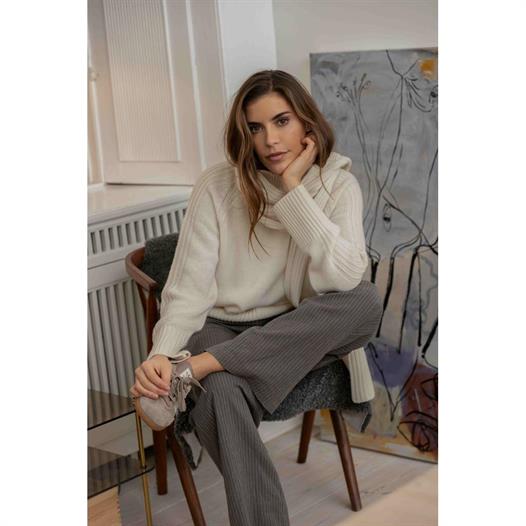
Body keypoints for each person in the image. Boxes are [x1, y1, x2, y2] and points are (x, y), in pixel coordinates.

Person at [129, 69, 383, 526]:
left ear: (306, 122)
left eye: (282, 121)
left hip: (294, 329)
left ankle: (198, 369)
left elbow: (345, 278)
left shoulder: (338, 185)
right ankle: (200, 368)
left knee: (364, 302)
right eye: (255, 127)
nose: (270, 139)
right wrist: (162, 355)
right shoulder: (217, 185)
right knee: (221, 391)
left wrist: (293, 190)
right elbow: (188, 288)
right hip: (220, 326)